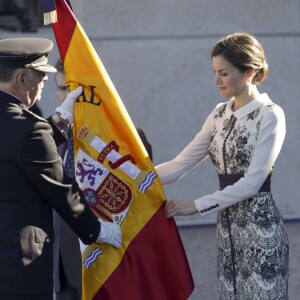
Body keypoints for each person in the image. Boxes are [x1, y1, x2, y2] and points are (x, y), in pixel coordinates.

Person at [155, 32, 289, 299]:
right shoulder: (218, 114)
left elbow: (252, 183)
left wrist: (195, 205)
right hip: (226, 233)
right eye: (215, 72)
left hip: (260, 232)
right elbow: (180, 165)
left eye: (224, 74)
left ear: (249, 72)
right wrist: (130, 178)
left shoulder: (271, 114)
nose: (216, 81)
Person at [0, 37, 122, 300]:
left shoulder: (23, 127)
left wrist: (56, 123)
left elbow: (19, 152)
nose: (44, 82)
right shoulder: (28, 129)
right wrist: (98, 230)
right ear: (22, 79)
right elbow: (60, 189)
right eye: (40, 75)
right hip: (19, 272)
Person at [52, 58, 153, 300]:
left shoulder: (126, 136)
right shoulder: (51, 135)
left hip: (107, 261)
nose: (67, 96)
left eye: (73, 89)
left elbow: (140, 192)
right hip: (63, 263)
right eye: (61, 89)